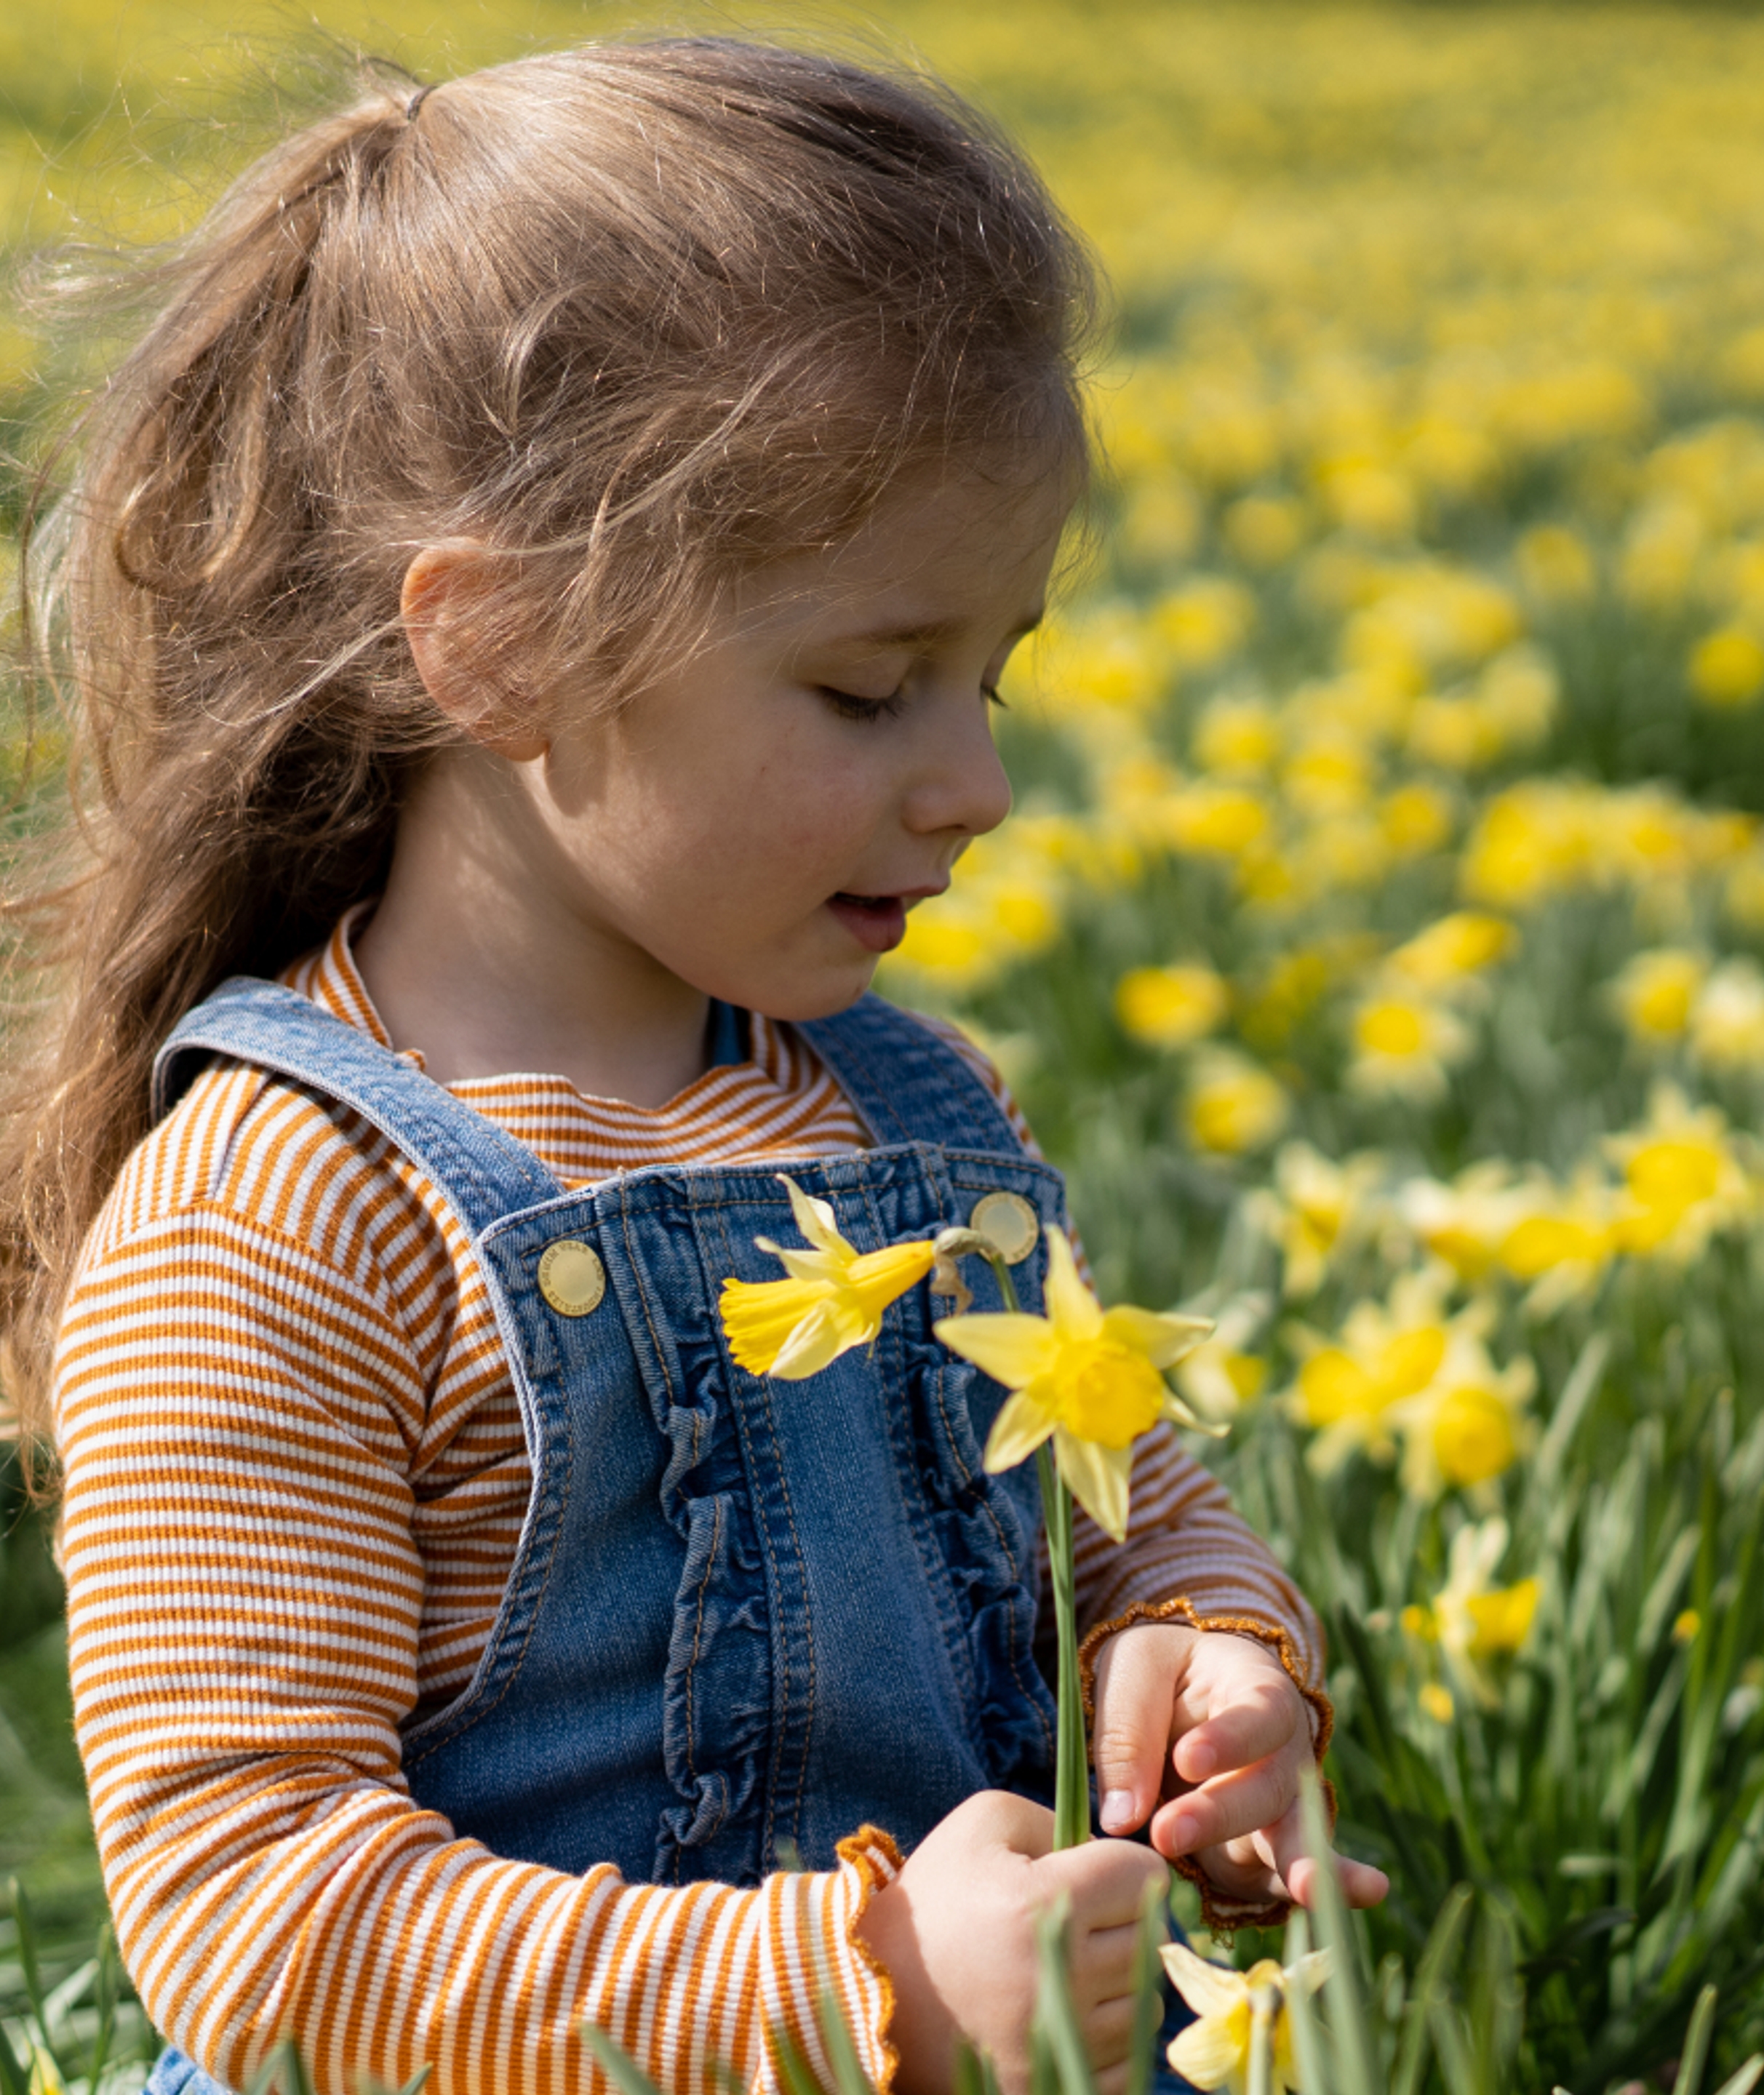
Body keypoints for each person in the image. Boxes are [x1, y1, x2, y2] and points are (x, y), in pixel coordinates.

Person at [2, 39, 1385, 2095]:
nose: (982, 783)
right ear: (503, 652)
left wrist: (1210, 1658)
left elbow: (1129, 1514)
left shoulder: (920, 1119)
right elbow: (262, 1927)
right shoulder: (271, 1227)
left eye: (991, 678)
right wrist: (867, 1987)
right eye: (868, 687)